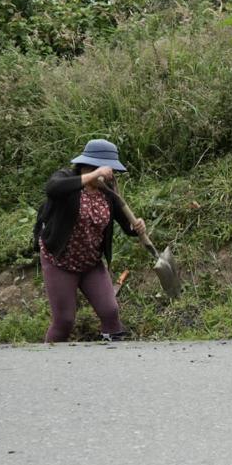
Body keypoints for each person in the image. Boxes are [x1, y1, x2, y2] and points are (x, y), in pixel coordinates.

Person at [33, 139, 145, 342]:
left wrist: (136, 228)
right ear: (92, 166)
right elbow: (52, 188)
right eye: (108, 170)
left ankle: (112, 361)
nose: (111, 175)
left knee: (110, 311)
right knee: (64, 321)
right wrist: (92, 176)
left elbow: (125, 225)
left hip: (90, 263)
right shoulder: (67, 179)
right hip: (60, 261)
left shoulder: (108, 193)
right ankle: (49, 365)